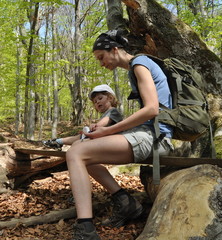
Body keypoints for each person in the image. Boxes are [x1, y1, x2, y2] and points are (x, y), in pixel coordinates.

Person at [67, 30, 174, 240]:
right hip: (148, 134)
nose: (100, 63)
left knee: (75, 153)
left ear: (114, 50)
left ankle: (85, 231)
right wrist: (106, 132)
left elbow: (152, 109)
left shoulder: (140, 64)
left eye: (101, 57)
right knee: (84, 156)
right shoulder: (135, 68)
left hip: (156, 138)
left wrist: (110, 130)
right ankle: (125, 203)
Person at [42, 84, 123, 150]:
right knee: (80, 138)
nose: (97, 102)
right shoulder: (106, 113)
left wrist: (94, 126)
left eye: (100, 98)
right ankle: (58, 141)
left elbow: (103, 123)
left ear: (110, 98)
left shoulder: (113, 111)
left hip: (112, 142)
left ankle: (58, 142)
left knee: (80, 144)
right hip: (104, 140)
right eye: (95, 102)